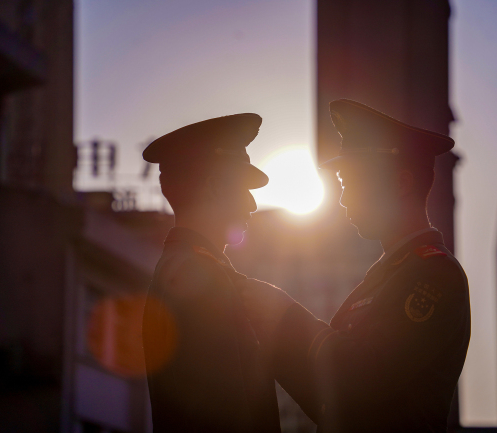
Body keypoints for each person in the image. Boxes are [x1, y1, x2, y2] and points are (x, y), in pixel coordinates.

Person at [237, 99, 471, 432]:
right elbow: (333, 402)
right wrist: (270, 335)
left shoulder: (433, 273)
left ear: (401, 184)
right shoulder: (389, 273)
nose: (344, 198)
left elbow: (365, 379)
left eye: (352, 183)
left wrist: (286, 315)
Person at [141, 114, 280, 433]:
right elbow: (224, 412)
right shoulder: (202, 279)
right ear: (216, 187)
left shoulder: (180, 268)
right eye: (243, 188)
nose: (252, 204)